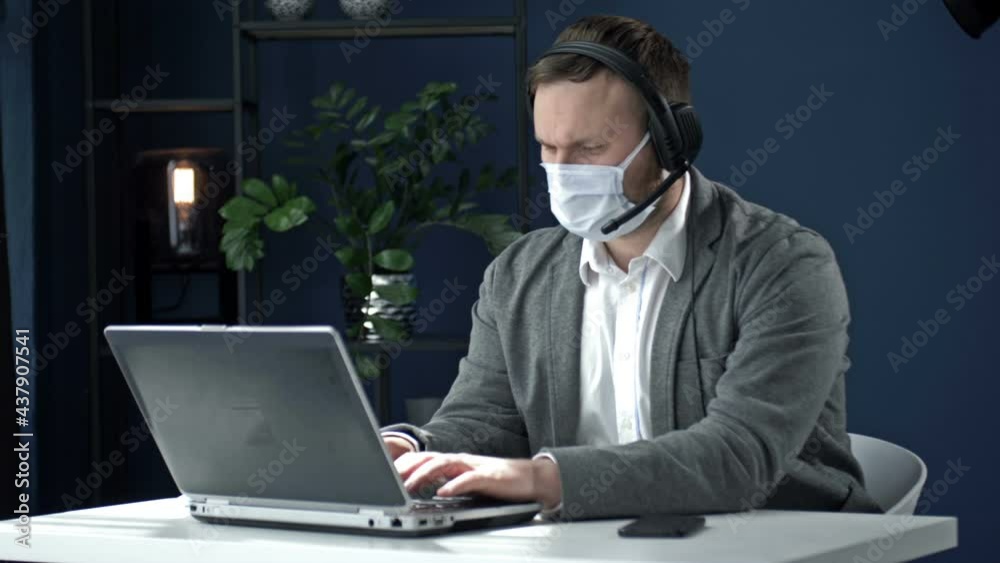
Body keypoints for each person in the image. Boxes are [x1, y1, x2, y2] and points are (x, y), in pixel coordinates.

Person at [380, 14, 882, 519]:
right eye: (548, 148)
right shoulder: (516, 276)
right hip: (586, 545)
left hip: (779, 543)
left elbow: (738, 457)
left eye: (591, 148)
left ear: (671, 141)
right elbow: (484, 419)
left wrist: (543, 478)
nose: (563, 171)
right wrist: (413, 450)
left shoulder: (782, 265)